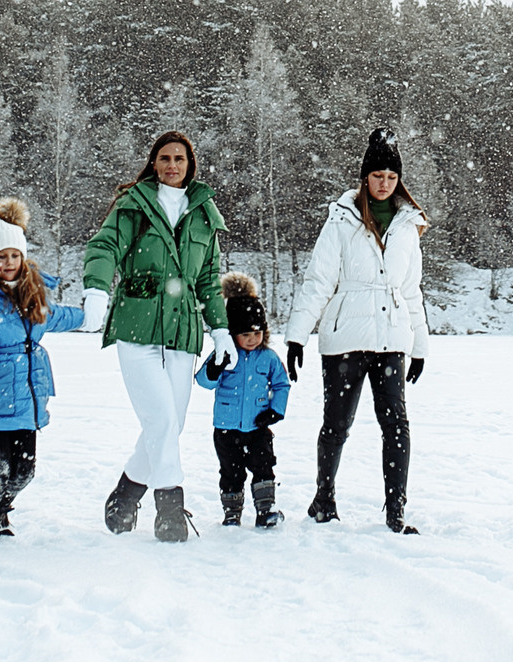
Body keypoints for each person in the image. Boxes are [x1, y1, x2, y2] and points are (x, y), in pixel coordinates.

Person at [80, 130, 232, 542]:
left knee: (171, 423)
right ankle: (169, 508)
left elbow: (208, 281)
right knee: (161, 418)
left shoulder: (203, 214)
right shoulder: (134, 206)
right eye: (164, 158)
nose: (171, 165)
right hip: (137, 327)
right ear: (154, 163)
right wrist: (96, 286)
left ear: (190, 165)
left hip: (183, 332)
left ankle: (126, 495)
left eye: (179, 159)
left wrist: (221, 330)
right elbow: (104, 246)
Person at [283, 128, 431, 534]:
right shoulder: (342, 221)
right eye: (377, 175)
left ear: (399, 180)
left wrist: (420, 345)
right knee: (336, 425)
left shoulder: (407, 227)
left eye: (391, 177)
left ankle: (396, 510)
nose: (384, 183)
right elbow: (318, 281)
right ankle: (323, 499)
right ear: (365, 177)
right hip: (345, 338)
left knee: (396, 425)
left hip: (390, 339)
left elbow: (411, 290)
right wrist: (297, 334)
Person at [0, 198, 87, 545]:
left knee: (24, 471)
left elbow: (57, 317)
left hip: (25, 398)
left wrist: (92, 316)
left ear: (23, 257)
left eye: (14, 255)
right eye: (1, 256)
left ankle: (1, 508)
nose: (8, 263)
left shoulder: (31, 293)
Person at [196, 272, 293, 528]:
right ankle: (232, 512)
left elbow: (282, 383)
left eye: (258, 333)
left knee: (263, 468)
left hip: (258, 427)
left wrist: (276, 410)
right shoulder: (225, 353)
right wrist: (216, 369)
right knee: (231, 472)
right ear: (232, 333)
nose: (253, 339)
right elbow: (203, 381)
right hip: (226, 429)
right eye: (246, 334)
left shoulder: (268, 357)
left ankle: (266, 510)